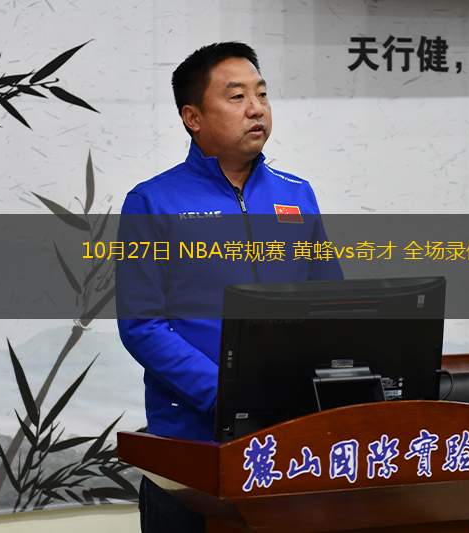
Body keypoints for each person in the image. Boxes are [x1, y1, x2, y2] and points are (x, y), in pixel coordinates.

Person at [116, 42, 341, 532]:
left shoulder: (296, 194)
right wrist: (225, 393)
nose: (256, 108)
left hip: (289, 437)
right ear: (193, 117)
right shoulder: (152, 202)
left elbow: (331, 304)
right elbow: (142, 326)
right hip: (191, 447)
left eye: (262, 94)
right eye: (237, 97)